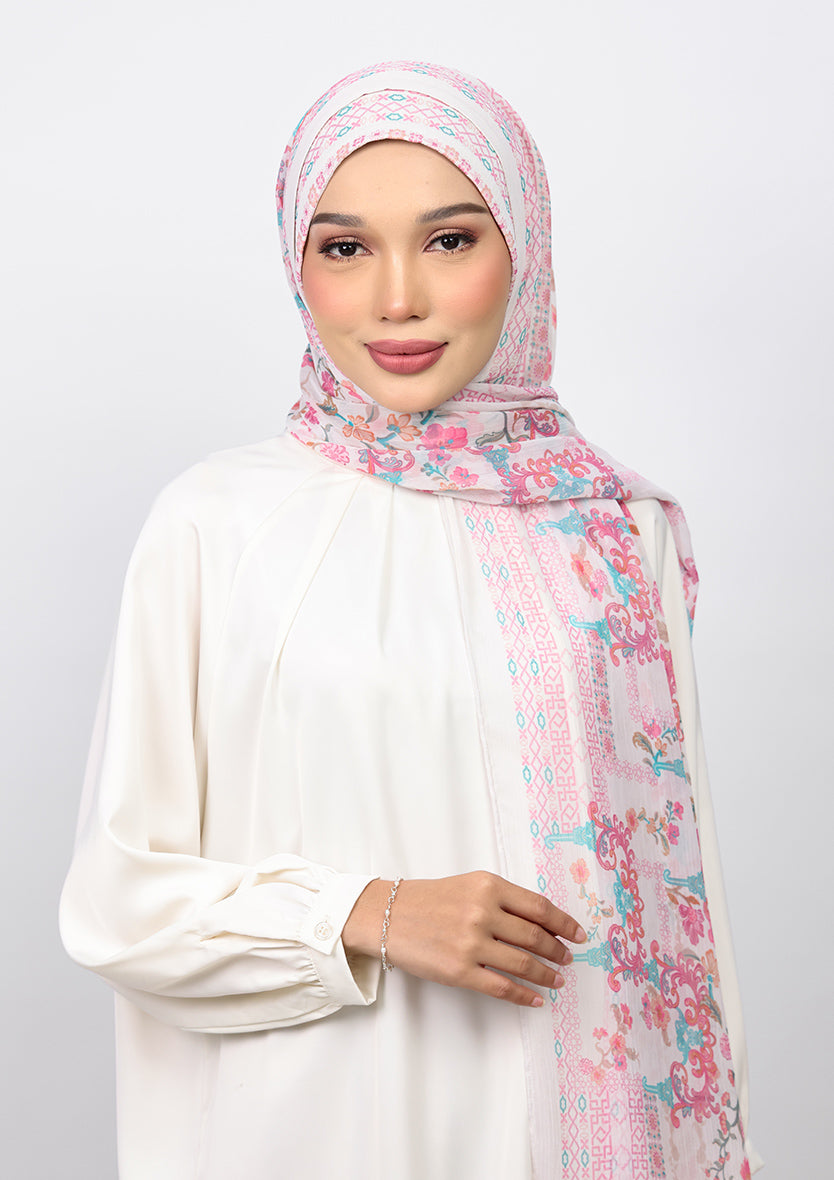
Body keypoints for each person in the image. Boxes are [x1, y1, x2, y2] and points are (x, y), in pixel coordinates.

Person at [60, 61, 761, 1179]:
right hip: (314, 1136)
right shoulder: (217, 523)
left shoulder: (617, 532)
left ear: (524, 252)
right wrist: (370, 913)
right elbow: (116, 905)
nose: (398, 299)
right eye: (345, 248)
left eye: (448, 240)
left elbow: (681, 932)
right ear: (298, 266)